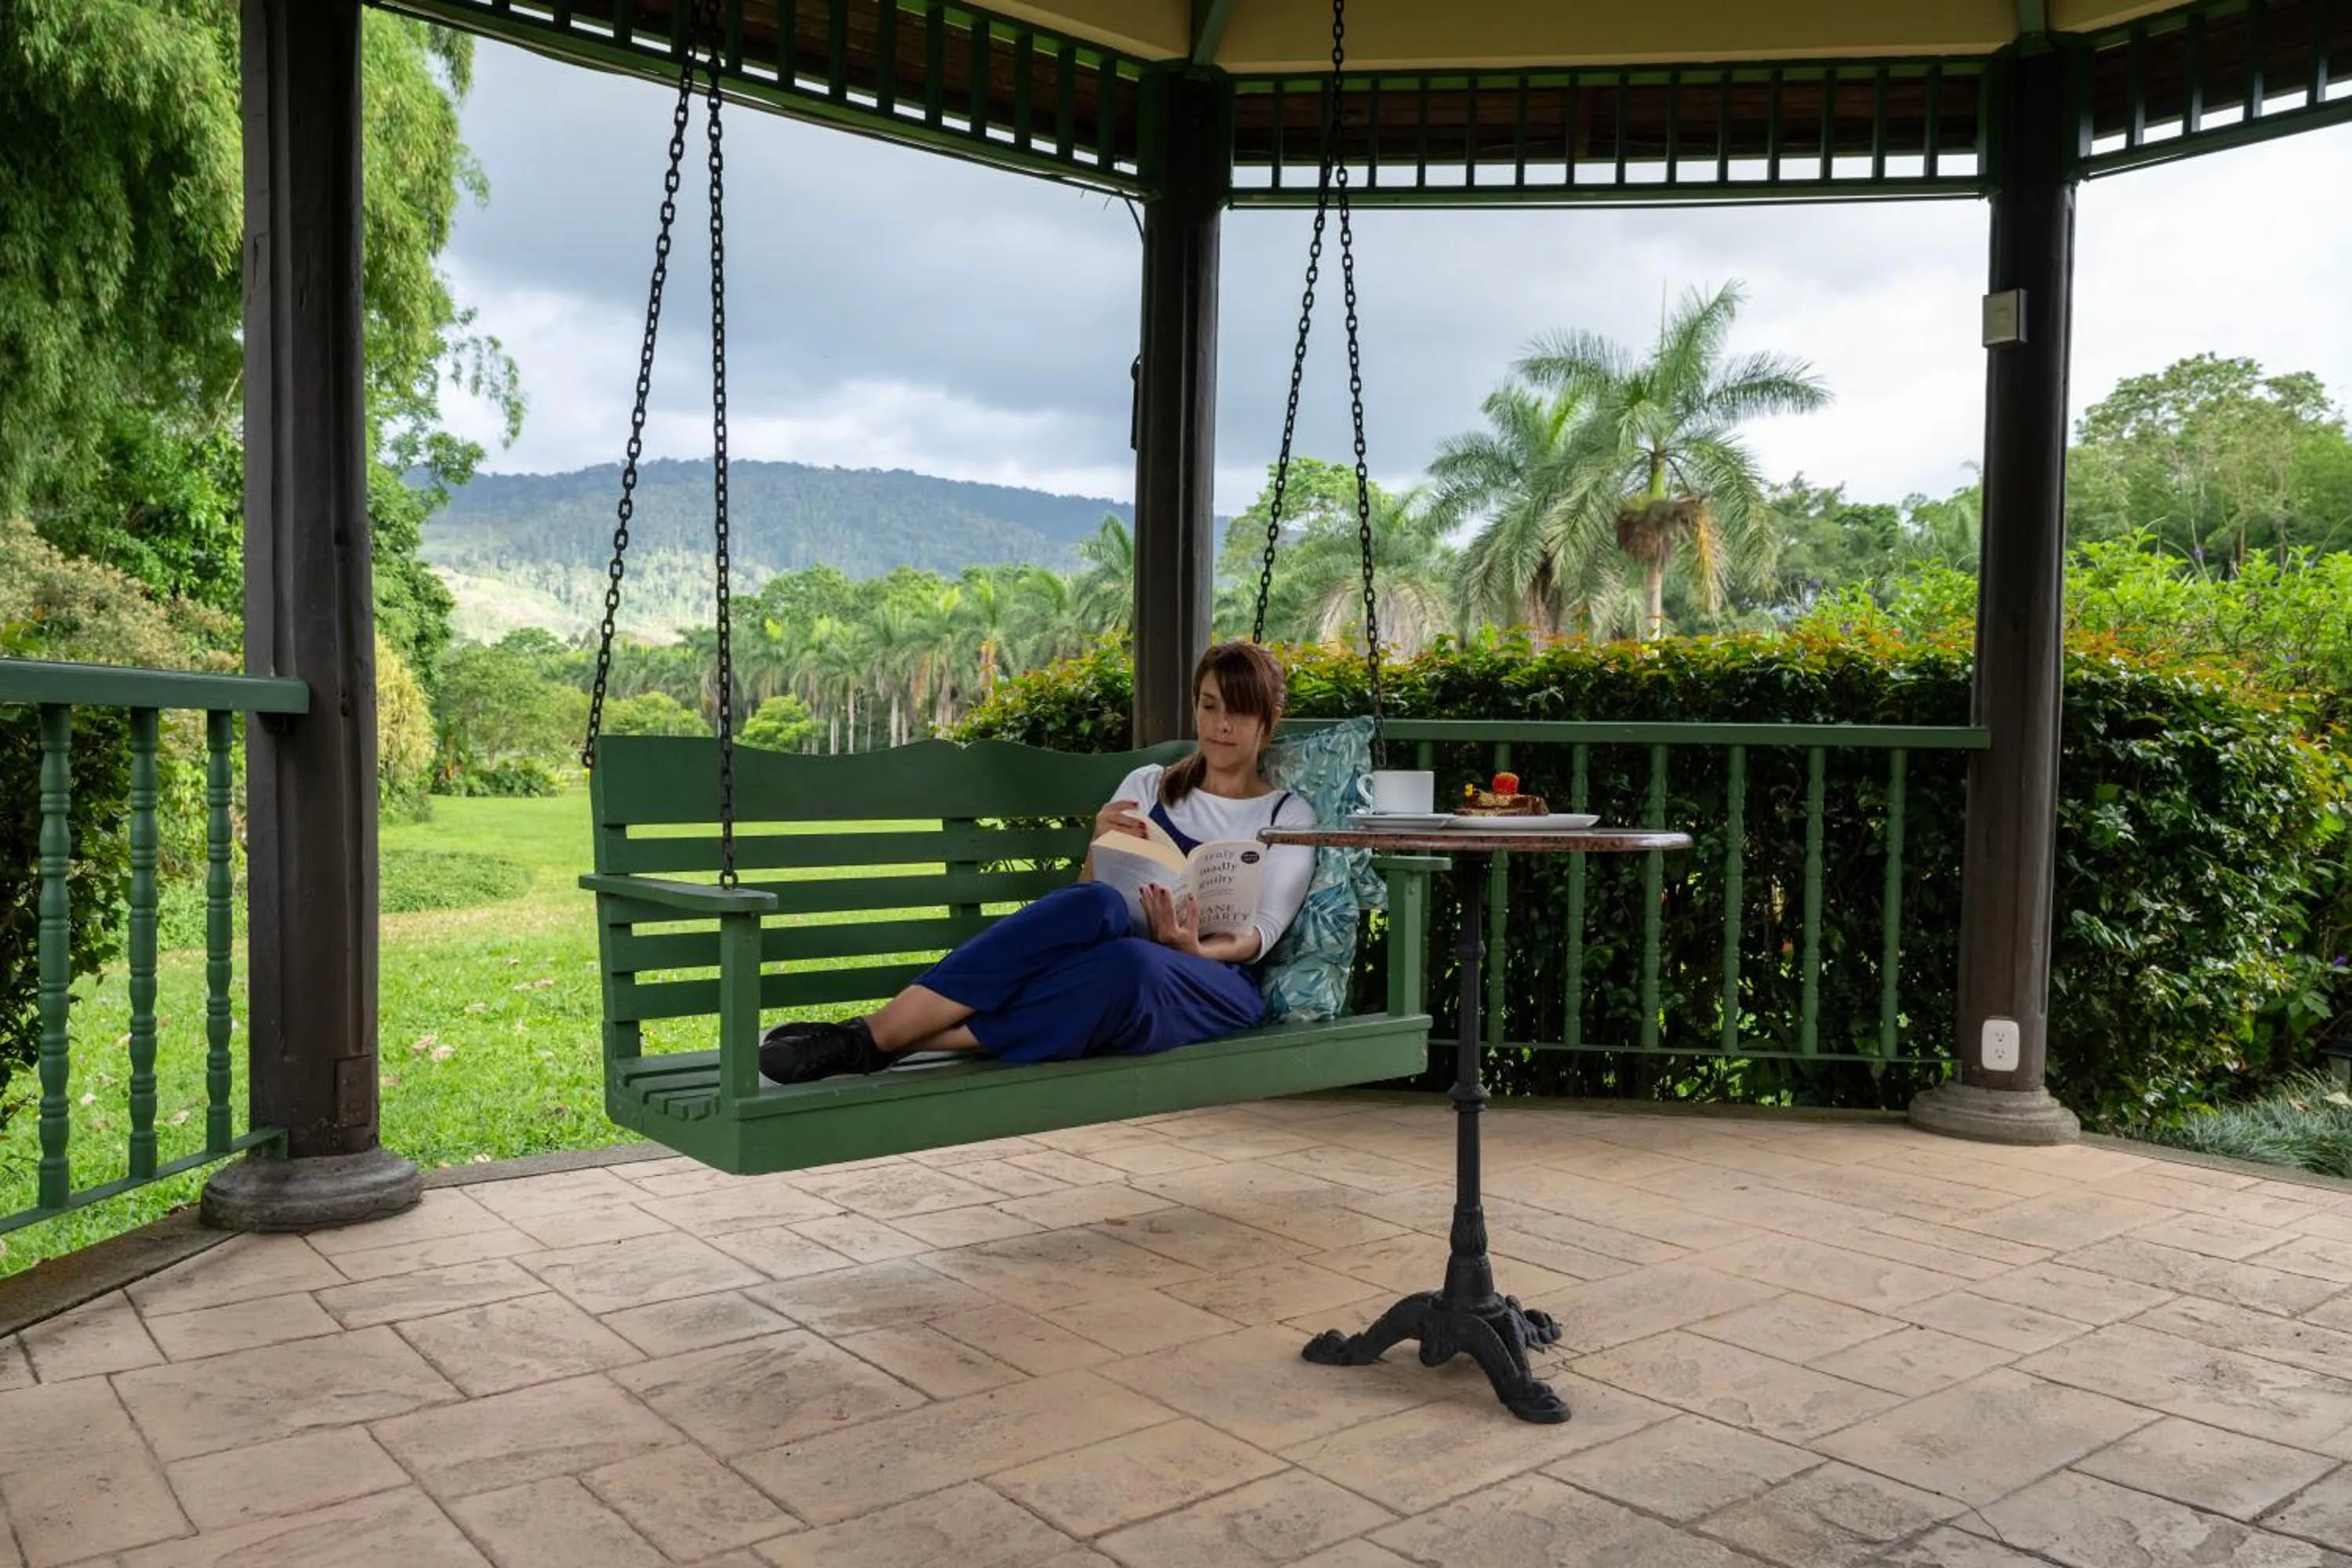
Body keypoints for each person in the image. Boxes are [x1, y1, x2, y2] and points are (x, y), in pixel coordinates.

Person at [757, 641, 1316, 1083]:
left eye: (1238, 713)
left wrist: (1196, 948)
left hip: (1211, 978)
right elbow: (1088, 897)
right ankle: (879, 1037)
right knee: (1097, 912)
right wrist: (1101, 845)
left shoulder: (1290, 817)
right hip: (1119, 955)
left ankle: (887, 1036)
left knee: (1131, 966)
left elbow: (1261, 933)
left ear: (1267, 722)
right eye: (1209, 705)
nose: (1220, 725)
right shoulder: (1150, 786)